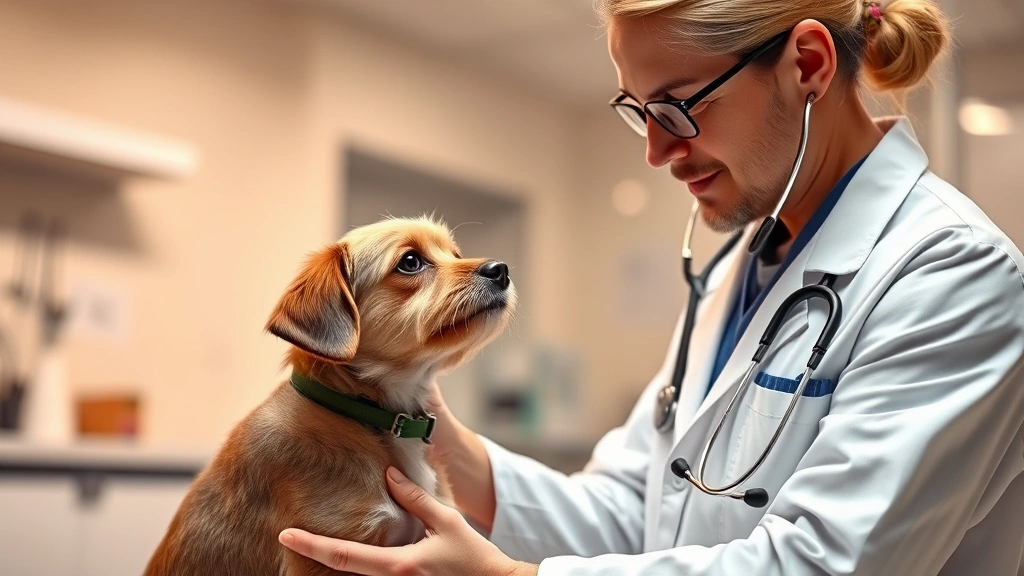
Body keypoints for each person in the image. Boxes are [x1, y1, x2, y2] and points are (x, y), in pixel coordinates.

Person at [278, 0, 1024, 574]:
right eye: (638, 113)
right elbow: (636, 512)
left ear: (807, 63)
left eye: (678, 107)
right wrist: (433, 435)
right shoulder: (737, 274)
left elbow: (821, 563)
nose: (658, 152)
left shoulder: (953, 275)